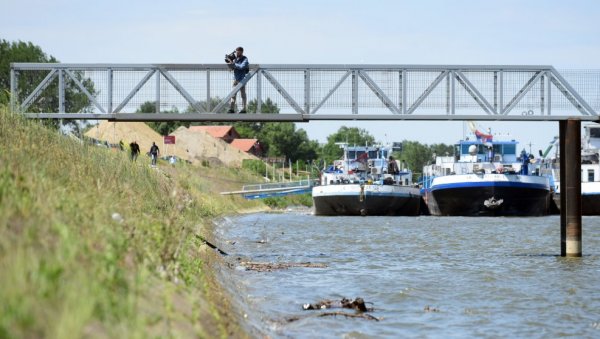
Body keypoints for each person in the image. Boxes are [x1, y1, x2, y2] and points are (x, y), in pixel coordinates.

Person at [226, 46, 249, 113]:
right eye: (236, 52)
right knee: (233, 94)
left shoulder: (245, 59)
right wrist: (230, 62)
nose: (236, 53)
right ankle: (231, 109)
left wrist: (233, 63)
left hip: (242, 79)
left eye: (238, 52)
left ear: (241, 52)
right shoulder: (235, 59)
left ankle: (244, 109)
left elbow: (242, 67)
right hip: (235, 79)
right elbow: (232, 68)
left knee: (243, 95)